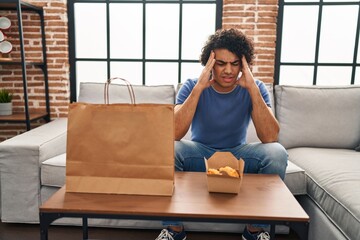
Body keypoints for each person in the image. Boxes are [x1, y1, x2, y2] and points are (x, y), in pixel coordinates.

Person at [155, 28, 288, 240]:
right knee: (168, 148)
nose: (228, 70)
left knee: (277, 152)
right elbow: (174, 133)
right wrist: (199, 88)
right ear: (210, 63)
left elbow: (270, 137)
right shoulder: (191, 85)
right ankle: (174, 230)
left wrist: (252, 88)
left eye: (235, 63)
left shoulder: (256, 87)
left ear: (243, 65)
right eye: (221, 63)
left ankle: (254, 230)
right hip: (200, 154)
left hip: (237, 156)